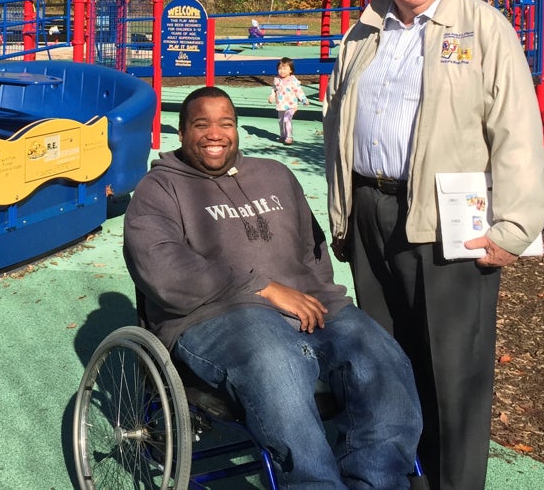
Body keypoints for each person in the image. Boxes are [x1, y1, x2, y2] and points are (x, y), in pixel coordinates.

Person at [322, 0, 544, 490]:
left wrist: (513, 227)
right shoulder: (364, 31)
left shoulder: (483, 28)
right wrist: (344, 212)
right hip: (372, 209)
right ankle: (400, 478)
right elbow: (338, 125)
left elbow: (517, 131)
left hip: (450, 220)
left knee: (454, 371)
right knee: (385, 365)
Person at [124, 86, 422, 489]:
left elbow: (311, 250)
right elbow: (161, 266)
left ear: (237, 129)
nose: (215, 133)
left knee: (383, 359)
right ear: (182, 132)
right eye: (202, 124)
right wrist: (261, 286)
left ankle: (378, 481)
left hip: (309, 306)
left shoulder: (275, 175)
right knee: (278, 364)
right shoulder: (159, 190)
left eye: (225, 123)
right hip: (214, 315)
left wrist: (325, 298)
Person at [269, 56, 310, 144]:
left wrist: (303, 99)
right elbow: (274, 89)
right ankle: (282, 135)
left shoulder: (293, 80)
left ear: (290, 70)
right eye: (280, 68)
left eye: (284, 69)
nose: (282, 71)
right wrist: (272, 96)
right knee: (280, 121)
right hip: (281, 105)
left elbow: (298, 90)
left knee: (287, 119)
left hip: (291, 105)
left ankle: (289, 137)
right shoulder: (277, 79)